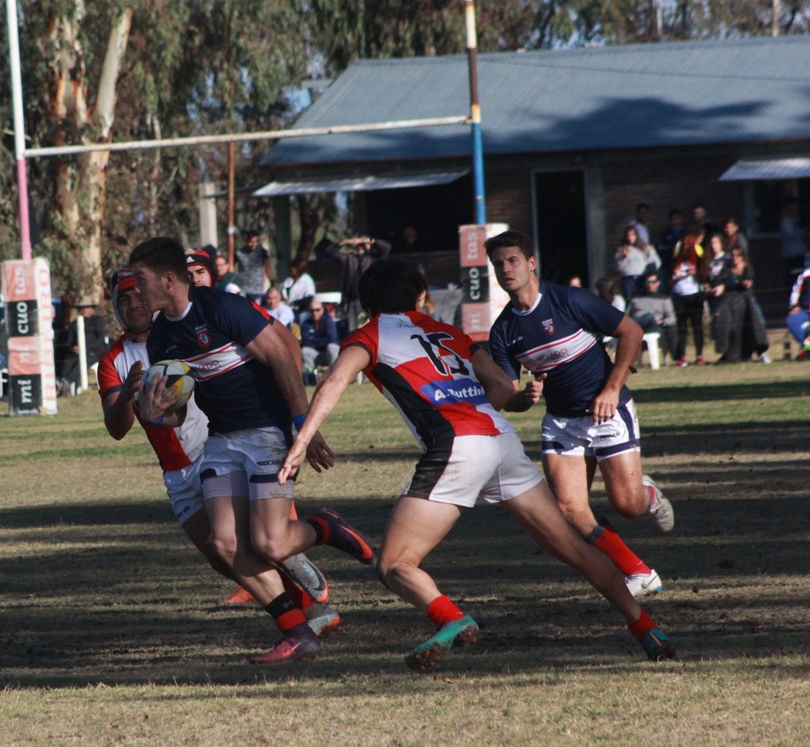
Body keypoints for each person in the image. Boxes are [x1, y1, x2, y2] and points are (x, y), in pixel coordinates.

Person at [279, 259, 676, 670]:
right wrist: (498, 401)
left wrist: (303, 437)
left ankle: (452, 618)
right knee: (573, 548)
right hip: (500, 441)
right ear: (420, 297)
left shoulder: (368, 336)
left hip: (456, 448)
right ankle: (646, 626)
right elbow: (504, 387)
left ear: (367, 305)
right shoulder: (451, 333)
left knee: (394, 564)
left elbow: (334, 380)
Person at [130, 236, 373, 664]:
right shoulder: (160, 339)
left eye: (142, 280)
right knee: (225, 545)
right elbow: (176, 413)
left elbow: (282, 357)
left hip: (268, 432)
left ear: (169, 280)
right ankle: (296, 632)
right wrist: (154, 412)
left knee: (271, 543)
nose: (136, 290)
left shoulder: (222, 308)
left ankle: (326, 528)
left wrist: (302, 426)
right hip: (221, 440)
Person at [98, 268, 339, 636]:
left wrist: (294, 419)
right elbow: (117, 429)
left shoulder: (181, 326)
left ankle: (308, 615)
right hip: (176, 470)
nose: (133, 304)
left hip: (222, 448)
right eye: (123, 299)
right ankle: (303, 603)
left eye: (137, 294)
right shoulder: (113, 360)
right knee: (221, 557)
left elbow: (277, 347)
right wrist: (129, 400)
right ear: (114, 306)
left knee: (254, 542)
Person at [485, 230, 675, 601]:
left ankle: (647, 493)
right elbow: (510, 398)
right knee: (570, 509)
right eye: (498, 265)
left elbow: (631, 331)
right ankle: (640, 573)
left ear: (530, 262)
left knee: (628, 506)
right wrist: (523, 396)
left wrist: (612, 389)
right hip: (561, 422)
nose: (506, 270)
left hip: (607, 411)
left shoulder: (568, 300)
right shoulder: (503, 331)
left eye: (512, 260)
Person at [710, 247, 770, 364]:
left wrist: (742, 284)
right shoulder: (726, 269)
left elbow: (748, 282)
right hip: (732, 303)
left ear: (742, 257)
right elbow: (720, 282)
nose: (735, 258)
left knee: (757, 325)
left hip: (747, 302)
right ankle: (735, 353)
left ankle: (762, 353)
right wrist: (719, 287)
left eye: (738, 255)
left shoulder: (747, 268)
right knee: (732, 327)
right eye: (733, 255)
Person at [324, 235, 392, 334]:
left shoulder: (373, 259)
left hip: (368, 300)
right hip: (352, 300)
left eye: (363, 244)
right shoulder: (349, 259)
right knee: (353, 330)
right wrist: (346, 241)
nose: (361, 246)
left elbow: (386, 248)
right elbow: (331, 252)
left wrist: (370, 240)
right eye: (359, 245)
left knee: (369, 327)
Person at [669, 227, 706, 366]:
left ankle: (699, 355)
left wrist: (695, 272)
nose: (685, 248)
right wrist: (675, 277)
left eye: (688, 245)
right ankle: (682, 356)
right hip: (679, 296)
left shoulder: (697, 258)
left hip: (695, 294)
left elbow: (704, 276)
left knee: (697, 327)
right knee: (682, 328)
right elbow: (669, 281)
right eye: (684, 245)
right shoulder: (676, 261)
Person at [627, 273, 677, 367]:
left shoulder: (664, 298)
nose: (650, 284)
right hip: (637, 325)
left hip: (656, 326)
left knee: (651, 317)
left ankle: (675, 357)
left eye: (653, 282)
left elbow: (672, 318)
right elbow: (627, 315)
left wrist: (661, 321)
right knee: (646, 317)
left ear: (658, 283)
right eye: (648, 282)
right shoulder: (636, 298)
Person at [57, 302, 107, 396]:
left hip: (94, 352)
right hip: (77, 352)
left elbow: (101, 340)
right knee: (69, 360)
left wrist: (86, 348)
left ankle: (66, 381)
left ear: (92, 309)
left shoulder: (98, 320)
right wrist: (73, 348)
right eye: (82, 308)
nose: (84, 310)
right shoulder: (74, 324)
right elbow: (68, 342)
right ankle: (63, 383)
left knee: (84, 361)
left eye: (86, 307)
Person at [786, 247, 810, 351]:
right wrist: (794, 305)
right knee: (791, 321)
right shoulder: (806, 274)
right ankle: (807, 346)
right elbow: (796, 290)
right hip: (805, 310)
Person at [299, 301, 340, 384]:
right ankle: (311, 379)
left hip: (329, 353)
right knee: (305, 350)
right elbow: (306, 342)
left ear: (322, 310)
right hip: (316, 354)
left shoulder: (328, 321)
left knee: (331, 347)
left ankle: (335, 377)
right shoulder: (306, 324)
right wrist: (321, 340)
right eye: (312, 310)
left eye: (317, 310)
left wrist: (313, 339)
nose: (314, 313)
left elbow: (332, 339)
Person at [236, 230, 272, 302]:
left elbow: (267, 268)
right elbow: (231, 266)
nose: (253, 244)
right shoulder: (239, 253)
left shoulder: (262, 252)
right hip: (243, 288)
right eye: (251, 242)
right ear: (246, 241)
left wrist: (272, 283)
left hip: (257, 289)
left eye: (256, 241)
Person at [615, 226, 648, 302]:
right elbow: (617, 267)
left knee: (641, 299)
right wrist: (623, 257)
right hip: (628, 278)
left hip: (641, 277)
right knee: (629, 300)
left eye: (632, 235)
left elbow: (650, 262)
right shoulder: (621, 250)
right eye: (628, 235)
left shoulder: (642, 249)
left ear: (636, 236)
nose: (630, 238)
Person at [657, 209, 685, 281]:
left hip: (682, 263)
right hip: (668, 262)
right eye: (673, 219)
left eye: (677, 218)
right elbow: (660, 247)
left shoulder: (685, 233)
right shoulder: (666, 233)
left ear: (681, 219)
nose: (675, 221)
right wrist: (671, 248)